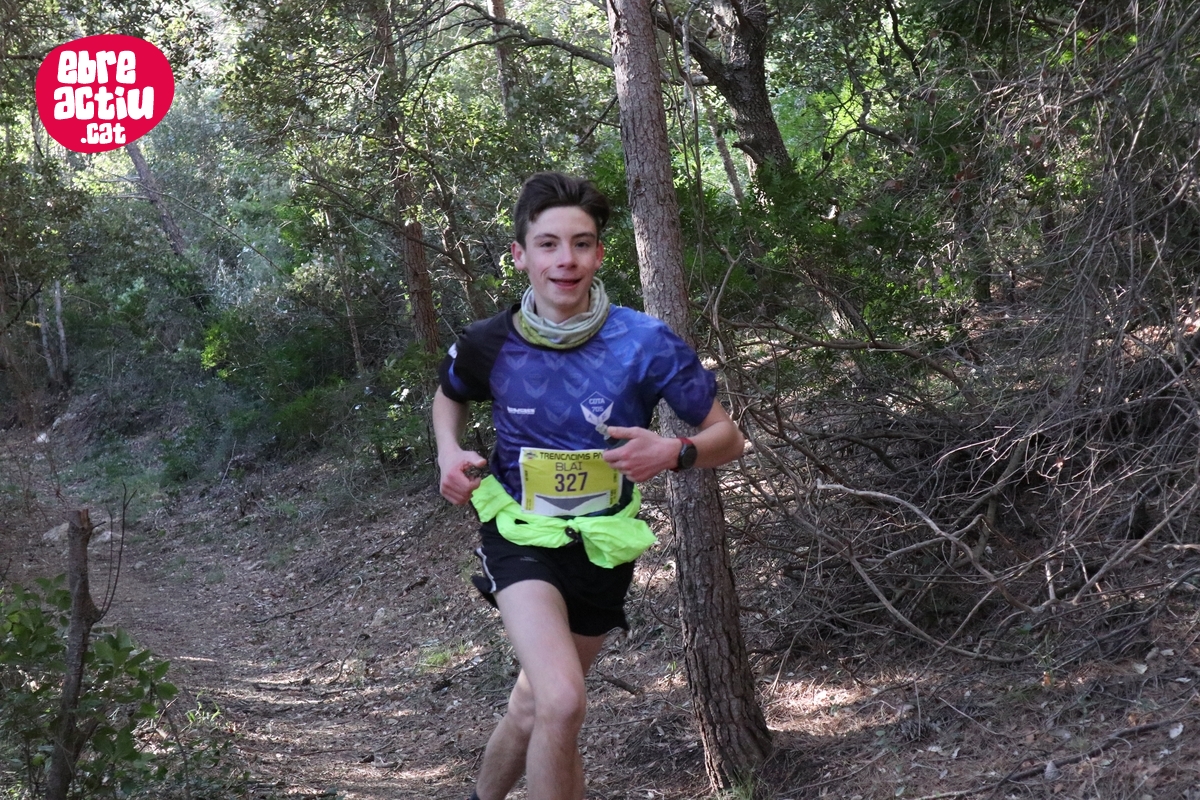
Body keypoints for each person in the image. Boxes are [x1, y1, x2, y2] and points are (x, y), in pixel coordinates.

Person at [433, 172, 743, 800]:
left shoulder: (645, 343)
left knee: (536, 708)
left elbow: (728, 438)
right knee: (563, 699)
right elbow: (449, 395)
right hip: (519, 534)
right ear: (520, 255)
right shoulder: (490, 342)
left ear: (599, 253)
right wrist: (448, 450)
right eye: (547, 244)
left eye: (580, 243)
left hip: (603, 546)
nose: (565, 260)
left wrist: (674, 452)